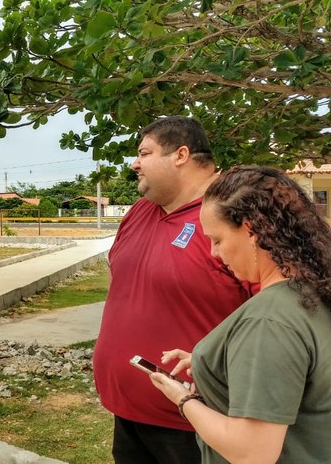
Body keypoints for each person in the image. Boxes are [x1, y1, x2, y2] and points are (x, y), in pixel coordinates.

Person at [92, 116, 252, 463]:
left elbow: (273, 313)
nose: (135, 163)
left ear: (180, 154)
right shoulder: (138, 212)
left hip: (196, 422)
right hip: (129, 414)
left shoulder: (235, 214)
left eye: (144, 153)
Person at [150, 166, 331, 463]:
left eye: (217, 239)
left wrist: (182, 399)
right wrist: (216, 364)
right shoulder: (313, 293)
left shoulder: (267, 322)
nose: (213, 253)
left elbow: (253, 453)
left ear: (250, 231)